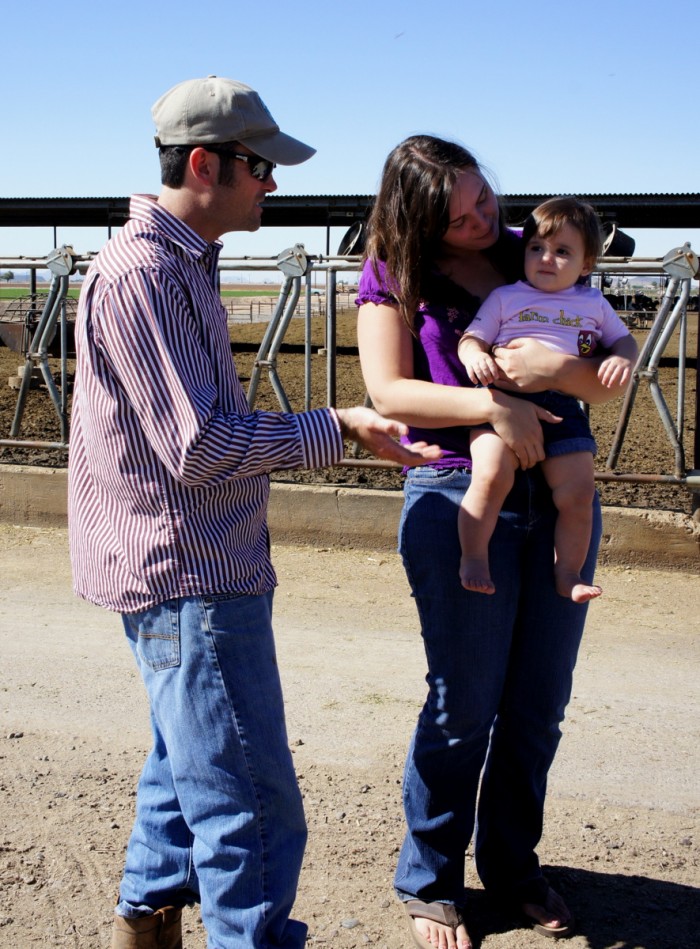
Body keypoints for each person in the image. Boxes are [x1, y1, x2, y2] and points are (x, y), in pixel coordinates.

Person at [67, 77, 440, 949]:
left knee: (187, 761)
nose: (272, 183)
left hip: (182, 562)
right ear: (204, 164)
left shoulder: (173, 263)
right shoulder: (147, 273)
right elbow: (197, 447)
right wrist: (336, 425)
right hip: (189, 568)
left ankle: (147, 919)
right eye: (259, 166)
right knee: (250, 802)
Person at [356, 136, 624, 949]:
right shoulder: (393, 271)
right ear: (416, 217)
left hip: (560, 491)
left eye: (482, 197)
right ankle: (431, 879)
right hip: (455, 490)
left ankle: (513, 866)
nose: (483, 218)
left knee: (538, 703)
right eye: (459, 212)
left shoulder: (535, 250)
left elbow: (601, 371)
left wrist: (555, 371)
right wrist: (491, 410)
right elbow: (388, 389)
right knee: (463, 700)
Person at [457, 196, 637, 602]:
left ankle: (569, 572)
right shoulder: (506, 297)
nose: (546, 258)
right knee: (491, 476)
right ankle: (473, 556)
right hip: (499, 401)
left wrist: (623, 359)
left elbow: (624, 340)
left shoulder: (592, 302)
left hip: (563, 406)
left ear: (586, 265)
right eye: (537, 247)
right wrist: (475, 356)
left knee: (578, 493)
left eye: (562, 252)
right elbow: (473, 336)